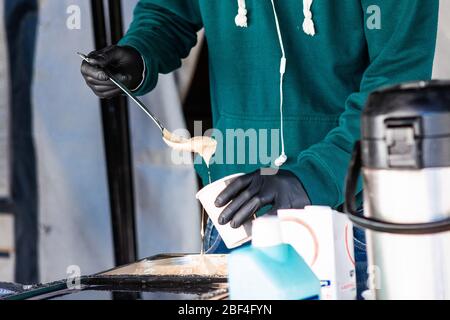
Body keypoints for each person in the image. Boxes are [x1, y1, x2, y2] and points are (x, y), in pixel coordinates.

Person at [81, 0, 438, 298]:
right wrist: (140, 52)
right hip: (237, 215)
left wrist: (312, 176)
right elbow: (170, 11)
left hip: (353, 219)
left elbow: (394, 84)